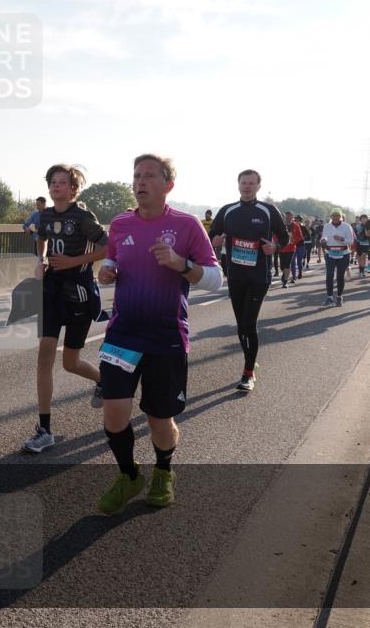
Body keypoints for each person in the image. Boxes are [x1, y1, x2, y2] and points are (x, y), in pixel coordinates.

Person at [96, 154, 221, 515]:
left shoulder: (187, 225)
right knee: (113, 414)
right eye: (136, 175)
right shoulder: (119, 223)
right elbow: (113, 259)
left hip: (166, 335)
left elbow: (215, 279)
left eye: (149, 175)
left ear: (168, 185)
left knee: (159, 419)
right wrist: (107, 271)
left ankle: (164, 470)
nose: (140, 182)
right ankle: (129, 474)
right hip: (123, 333)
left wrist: (183, 265)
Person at [24, 165, 108, 453]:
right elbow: (41, 239)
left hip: (79, 292)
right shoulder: (44, 215)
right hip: (51, 291)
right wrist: (42, 259)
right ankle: (44, 429)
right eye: (53, 182)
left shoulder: (83, 218)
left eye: (62, 182)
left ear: (74, 188)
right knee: (44, 356)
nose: (56, 186)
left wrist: (73, 262)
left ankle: (103, 381)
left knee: (70, 362)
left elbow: (109, 248)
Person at [209, 169, 289, 392]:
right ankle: (250, 360)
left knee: (248, 323)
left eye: (251, 183)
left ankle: (248, 373)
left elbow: (284, 237)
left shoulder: (268, 210)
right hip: (235, 275)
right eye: (243, 183)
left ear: (258, 187)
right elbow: (211, 235)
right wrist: (214, 241)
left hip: (258, 276)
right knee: (240, 324)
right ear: (238, 185)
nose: (247, 186)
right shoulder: (227, 211)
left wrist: (275, 247)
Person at [320, 209, 354, 306]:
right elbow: (323, 237)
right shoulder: (327, 226)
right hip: (330, 253)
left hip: (343, 253)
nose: (335, 217)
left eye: (337, 216)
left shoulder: (346, 226)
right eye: (333, 215)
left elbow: (351, 241)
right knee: (329, 275)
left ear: (341, 217)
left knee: (340, 276)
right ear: (331, 217)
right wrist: (323, 240)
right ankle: (329, 297)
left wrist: (342, 239)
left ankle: (339, 296)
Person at [278, 211, 303, 288]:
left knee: (287, 264)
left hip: (291, 248)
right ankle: (284, 274)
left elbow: (300, 236)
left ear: (292, 217)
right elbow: (275, 234)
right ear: (285, 217)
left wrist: (293, 241)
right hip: (281, 248)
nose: (288, 218)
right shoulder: (281, 225)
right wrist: (277, 243)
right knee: (282, 266)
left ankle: (285, 282)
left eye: (290, 216)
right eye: (287, 216)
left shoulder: (295, 225)